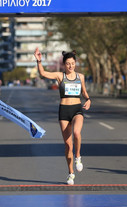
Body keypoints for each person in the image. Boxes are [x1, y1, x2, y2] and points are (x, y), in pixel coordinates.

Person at [34, 47, 91, 185]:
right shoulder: (60, 76)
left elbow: (84, 92)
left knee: (77, 133)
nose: (70, 66)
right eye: (68, 64)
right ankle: (71, 173)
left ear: (75, 63)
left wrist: (88, 100)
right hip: (64, 110)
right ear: (64, 65)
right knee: (67, 145)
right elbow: (43, 74)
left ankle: (78, 156)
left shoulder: (80, 77)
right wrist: (39, 61)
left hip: (77, 109)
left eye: (73, 63)